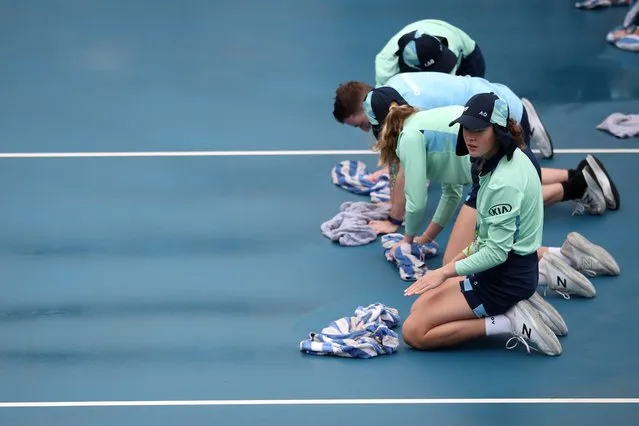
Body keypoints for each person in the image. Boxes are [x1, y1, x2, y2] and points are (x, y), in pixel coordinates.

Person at [395, 92, 563, 356]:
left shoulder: (502, 183)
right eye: (466, 128)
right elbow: (485, 240)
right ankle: (517, 308)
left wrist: (444, 272)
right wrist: (450, 268)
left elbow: (496, 252)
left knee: (414, 331)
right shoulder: (511, 156)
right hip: (502, 272)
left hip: (502, 281)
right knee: (420, 306)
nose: (469, 136)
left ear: (497, 130)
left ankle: (509, 322)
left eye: (479, 129)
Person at [374, 19, 485, 88]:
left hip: (467, 59)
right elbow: (383, 101)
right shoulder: (386, 67)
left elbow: (448, 93)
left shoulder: (451, 46)